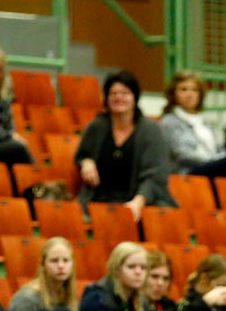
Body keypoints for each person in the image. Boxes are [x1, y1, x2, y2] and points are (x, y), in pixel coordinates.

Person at [74, 70, 174, 218]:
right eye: (113, 93)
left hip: (141, 204)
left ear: (135, 97)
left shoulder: (150, 130)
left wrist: (138, 202)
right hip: (97, 203)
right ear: (106, 98)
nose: (118, 97)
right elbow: (82, 156)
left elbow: (156, 176)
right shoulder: (97, 126)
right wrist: (86, 162)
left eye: (125, 93)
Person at [160, 70, 226, 179]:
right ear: (173, 93)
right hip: (189, 172)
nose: (189, 94)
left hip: (212, 166)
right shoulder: (169, 121)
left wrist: (220, 161)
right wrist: (214, 161)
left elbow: (220, 149)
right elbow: (182, 154)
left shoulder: (205, 122)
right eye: (183, 89)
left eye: (195, 90)